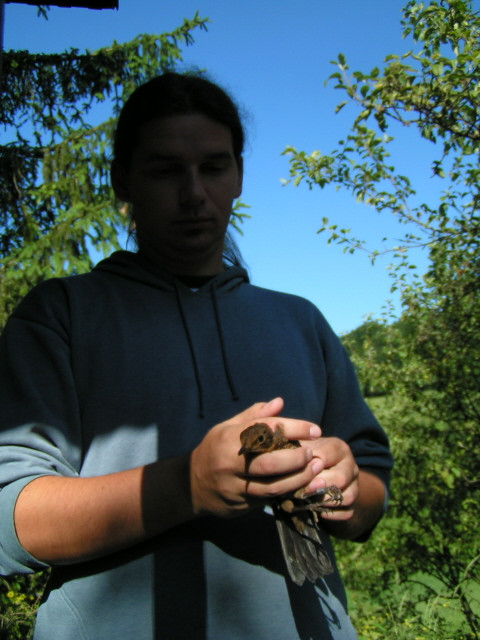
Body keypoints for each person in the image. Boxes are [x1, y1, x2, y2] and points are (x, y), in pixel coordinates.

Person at [0, 72, 393, 640]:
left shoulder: (300, 320)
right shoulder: (60, 315)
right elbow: (11, 521)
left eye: (214, 167)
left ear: (237, 177)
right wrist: (187, 485)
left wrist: (340, 486)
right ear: (123, 181)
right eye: (165, 170)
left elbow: (371, 493)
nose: (193, 194)